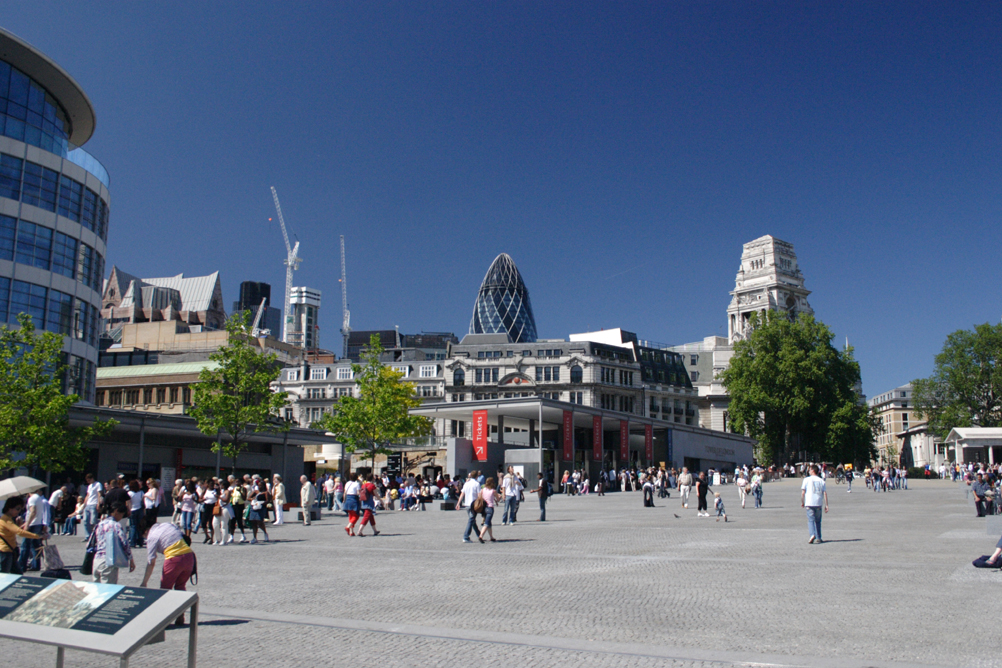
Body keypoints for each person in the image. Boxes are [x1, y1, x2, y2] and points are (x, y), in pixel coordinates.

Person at [139, 516, 195, 626]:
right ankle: (180, 614)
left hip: (174, 559)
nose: (145, 538)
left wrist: (144, 582)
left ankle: (165, 619)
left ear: (145, 531)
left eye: (144, 536)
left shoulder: (152, 536)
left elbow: (151, 562)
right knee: (180, 586)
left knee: (165, 590)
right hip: (189, 556)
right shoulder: (168, 524)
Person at [92, 502, 135, 583]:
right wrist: (131, 559)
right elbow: (124, 543)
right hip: (109, 560)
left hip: (97, 559)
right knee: (108, 589)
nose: (121, 517)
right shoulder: (116, 525)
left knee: (96, 589)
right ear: (116, 512)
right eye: (121, 514)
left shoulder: (100, 524)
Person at [0, 498, 42, 574]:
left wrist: (18, 525)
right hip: (5, 551)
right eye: (17, 508)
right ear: (10, 508)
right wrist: (37, 536)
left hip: (10, 551)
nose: (19, 511)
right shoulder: (6, 519)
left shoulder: (8, 519)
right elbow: (19, 532)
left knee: (16, 575)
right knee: (4, 575)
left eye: (21, 509)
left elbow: (13, 531)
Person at [18, 490, 50, 572]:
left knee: (25, 546)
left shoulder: (32, 499)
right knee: (35, 546)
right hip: (38, 523)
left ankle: (22, 565)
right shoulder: (39, 498)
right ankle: (36, 565)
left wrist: (27, 524)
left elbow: (33, 512)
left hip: (32, 524)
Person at [801, 464, 829, 544]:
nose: (809, 471)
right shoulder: (821, 480)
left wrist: (802, 502)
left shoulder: (806, 480)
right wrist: (826, 505)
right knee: (818, 521)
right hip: (818, 503)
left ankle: (812, 534)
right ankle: (818, 537)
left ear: (813, 471)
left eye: (809, 470)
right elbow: (825, 493)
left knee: (810, 520)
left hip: (809, 503)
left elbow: (803, 492)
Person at [458, 471, 481, 543]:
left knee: (472, 520)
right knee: (471, 520)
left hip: (467, 504)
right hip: (474, 504)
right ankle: (466, 537)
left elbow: (462, 494)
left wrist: (458, 503)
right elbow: (479, 495)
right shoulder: (477, 484)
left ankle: (479, 534)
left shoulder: (466, 483)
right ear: (477, 476)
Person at [82, 473, 103, 540]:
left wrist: (98, 504)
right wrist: (84, 504)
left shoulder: (98, 484)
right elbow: (87, 495)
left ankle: (95, 535)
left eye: (88, 480)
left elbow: (99, 494)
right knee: (85, 520)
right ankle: (87, 536)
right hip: (88, 504)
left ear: (91, 478)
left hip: (94, 504)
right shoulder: (89, 486)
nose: (88, 482)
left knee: (93, 521)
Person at [478, 477, 498, 543]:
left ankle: (491, 537)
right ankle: (481, 536)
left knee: (489, 523)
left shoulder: (483, 490)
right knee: (486, 523)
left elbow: (479, 497)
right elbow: (498, 499)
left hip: (484, 508)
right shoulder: (493, 491)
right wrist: (499, 497)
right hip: (490, 508)